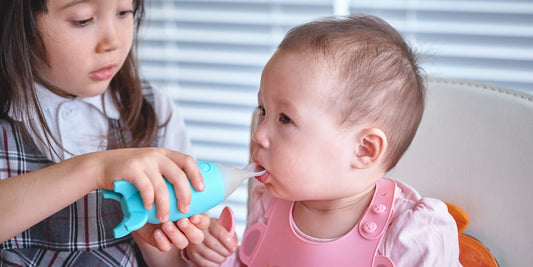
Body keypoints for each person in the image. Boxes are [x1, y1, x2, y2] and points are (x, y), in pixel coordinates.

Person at [182, 14, 461, 266]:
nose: (258, 134)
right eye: (263, 111)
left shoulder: (411, 235)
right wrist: (216, 255)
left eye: (285, 119)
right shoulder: (269, 201)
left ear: (363, 149)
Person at [0, 0, 210, 266]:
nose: (112, 42)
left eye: (123, 12)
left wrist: (180, 246)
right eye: (83, 20)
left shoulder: (153, 111)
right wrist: (96, 169)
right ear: (18, 22)